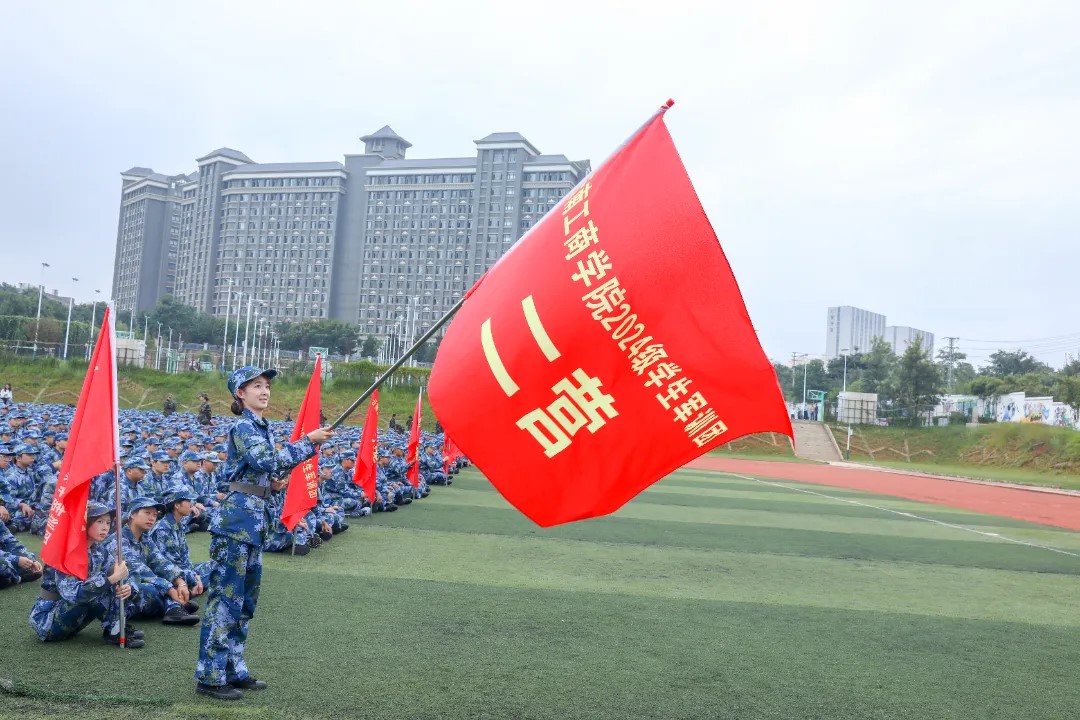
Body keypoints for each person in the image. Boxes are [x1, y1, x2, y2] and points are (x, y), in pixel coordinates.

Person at [194, 365, 333, 701]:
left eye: (267, 385)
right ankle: (210, 676)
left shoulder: (261, 426)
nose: (265, 391)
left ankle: (234, 670)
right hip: (236, 524)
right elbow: (266, 460)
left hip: (255, 523)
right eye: (256, 385)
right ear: (240, 393)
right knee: (225, 601)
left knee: (245, 603)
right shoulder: (244, 426)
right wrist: (308, 442)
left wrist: (271, 483)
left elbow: (263, 468)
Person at [29, 502, 142, 648]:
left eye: (108, 522)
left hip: (74, 618)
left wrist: (126, 585)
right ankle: (114, 631)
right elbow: (72, 594)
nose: (105, 527)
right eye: (99, 521)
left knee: (118, 587)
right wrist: (111, 579)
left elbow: (117, 572)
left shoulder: (99, 551)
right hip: (48, 622)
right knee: (101, 586)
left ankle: (115, 629)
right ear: (84, 523)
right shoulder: (68, 552)